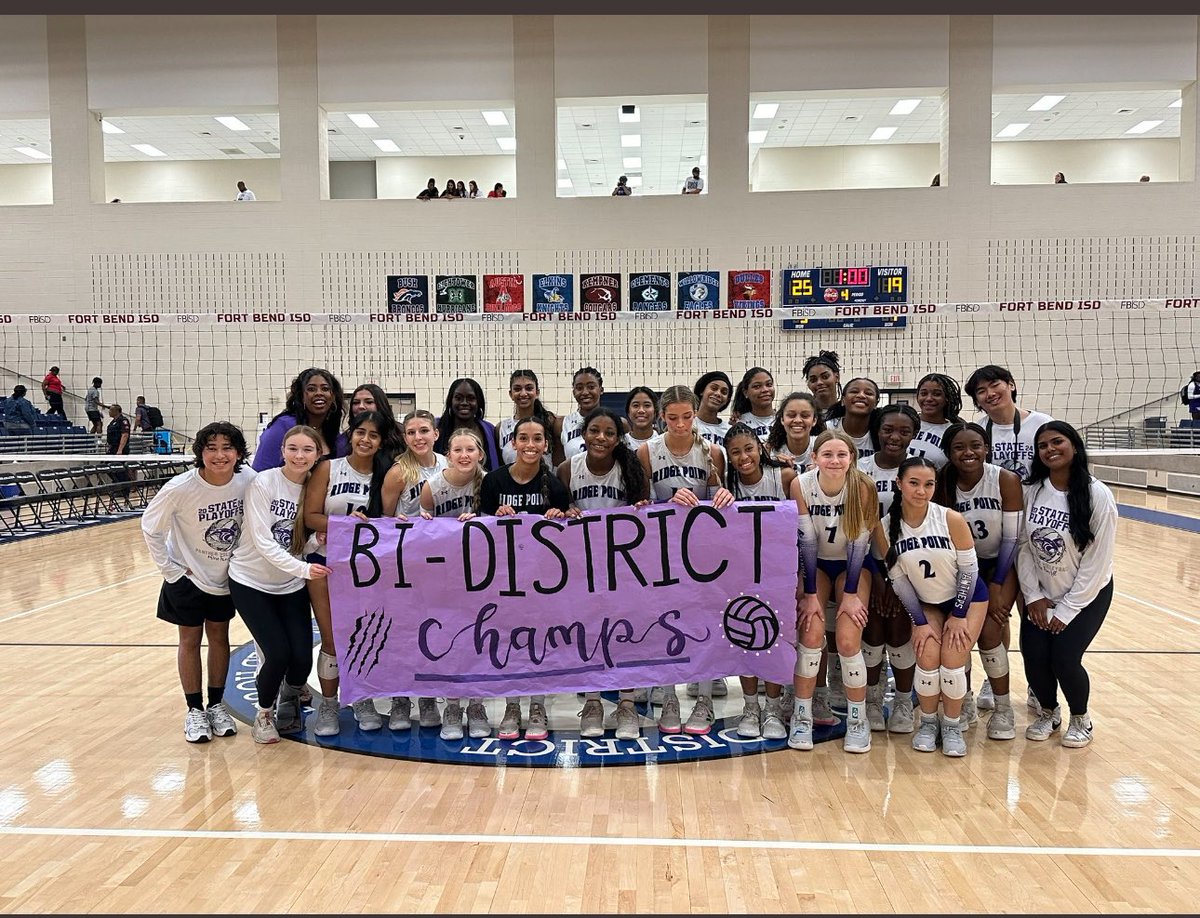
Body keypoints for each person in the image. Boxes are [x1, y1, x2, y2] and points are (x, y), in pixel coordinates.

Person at [141, 422, 256, 744]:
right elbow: (151, 528)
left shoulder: (249, 479)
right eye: (211, 448)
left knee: (220, 638)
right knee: (189, 640)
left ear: (238, 453)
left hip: (226, 577)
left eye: (227, 448)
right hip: (187, 577)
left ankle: (217, 705)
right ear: (200, 453)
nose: (220, 455)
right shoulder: (180, 488)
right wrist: (171, 572)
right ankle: (194, 710)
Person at [874, 457, 990, 757]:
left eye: (929, 484)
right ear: (899, 484)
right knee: (926, 657)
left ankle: (951, 725)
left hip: (967, 598)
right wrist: (920, 622)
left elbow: (969, 572)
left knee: (952, 661)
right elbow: (899, 581)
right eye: (913, 483)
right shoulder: (885, 528)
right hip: (927, 602)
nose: (921, 491)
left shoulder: (950, 519)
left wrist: (959, 615)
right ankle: (927, 723)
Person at [636, 385, 735, 735]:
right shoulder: (647, 451)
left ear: (695, 414)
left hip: (702, 553)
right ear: (662, 416)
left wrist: (724, 494)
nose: (680, 424)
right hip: (661, 553)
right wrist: (666, 503)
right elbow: (640, 508)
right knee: (665, 624)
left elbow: (721, 504)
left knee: (704, 623)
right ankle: (669, 697)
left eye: (687, 416)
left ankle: (704, 699)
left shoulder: (714, 452)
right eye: (672, 417)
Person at [229, 425, 332, 744]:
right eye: (293, 449)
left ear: (318, 454)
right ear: (282, 451)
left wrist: (317, 541)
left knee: (301, 658)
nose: (300, 456)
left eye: (307, 450)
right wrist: (303, 568)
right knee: (276, 653)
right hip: (251, 581)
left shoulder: (315, 490)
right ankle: (264, 715)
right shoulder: (264, 482)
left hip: (289, 584)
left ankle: (290, 696)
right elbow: (263, 540)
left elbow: (299, 541)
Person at [1017, 421, 1117, 748]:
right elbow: (1023, 547)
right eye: (1043, 445)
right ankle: (1048, 712)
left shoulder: (1096, 494)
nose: (1050, 449)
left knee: (1064, 657)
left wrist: (1068, 608)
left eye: (1057, 442)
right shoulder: (1033, 491)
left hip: (1088, 594)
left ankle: (1080, 718)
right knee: (1034, 655)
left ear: (1074, 445)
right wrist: (1033, 596)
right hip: (1042, 593)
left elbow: (1097, 561)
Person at [559, 407, 649, 739]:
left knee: (626, 633)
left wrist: (643, 510)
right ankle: (594, 701)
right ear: (583, 434)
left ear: (617, 439)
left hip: (625, 565)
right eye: (595, 431)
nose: (601, 437)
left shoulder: (631, 469)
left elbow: (647, 515)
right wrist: (564, 510)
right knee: (589, 632)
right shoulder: (568, 468)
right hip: (581, 566)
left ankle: (626, 704)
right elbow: (555, 512)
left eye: (609, 433)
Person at [479, 416, 571, 741]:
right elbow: (477, 529)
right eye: (524, 439)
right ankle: (512, 706)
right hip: (504, 580)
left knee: (539, 644)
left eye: (537, 439)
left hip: (543, 580)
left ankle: (537, 706)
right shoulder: (493, 481)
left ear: (546, 444)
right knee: (508, 641)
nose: (530, 445)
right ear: (513, 443)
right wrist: (493, 518)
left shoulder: (555, 484)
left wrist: (561, 517)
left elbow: (568, 533)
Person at [791, 430, 880, 753]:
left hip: (853, 566)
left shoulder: (863, 486)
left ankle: (858, 720)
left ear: (851, 458)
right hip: (815, 565)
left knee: (846, 640)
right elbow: (807, 542)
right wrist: (811, 593)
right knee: (812, 636)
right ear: (814, 458)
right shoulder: (801, 484)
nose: (835, 461)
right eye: (827, 454)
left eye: (842, 454)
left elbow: (859, 544)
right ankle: (802, 715)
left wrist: (852, 593)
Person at [936, 421, 1023, 740]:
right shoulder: (943, 482)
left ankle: (1003, 708)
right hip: (960, 568)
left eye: (975, 445)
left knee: (990, 632)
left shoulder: (1005, 479)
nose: (968, 452)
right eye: (959, 447)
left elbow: (1012, 540)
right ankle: (966, 701)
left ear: (987, 448)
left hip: (999, 564)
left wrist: (999, 584)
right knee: (959, 636)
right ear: (948, 453)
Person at [302, 411, 383, 737]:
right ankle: (330, 703)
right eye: (360, 432)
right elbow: (310, 516)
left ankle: (361, 697)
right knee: (333, 638)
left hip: (366, 568)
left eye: (373, 435)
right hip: (325, 561)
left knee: (363, 635)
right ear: (350, 435)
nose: (366, 439)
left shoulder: (386, 473)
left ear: (380, 441)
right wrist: (344, 525)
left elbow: (387, 520)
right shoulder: (328, 467)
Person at [723, 422, 796, 740]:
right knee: (744, 637)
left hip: (779, 571)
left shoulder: (784, 477)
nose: (743, 457)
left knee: (775, 639)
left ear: (761, 449)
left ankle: (773, 707)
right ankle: (750, 706)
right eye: (735, 452)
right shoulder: (725, 487)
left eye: (748, 449)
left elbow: (802, 525)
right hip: (742, 573)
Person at [420, 427, 492, 741]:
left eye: (470, 450)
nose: (464, 455)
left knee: (478, 639)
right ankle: (451, 705)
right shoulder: (432, 487)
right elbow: (417, 536)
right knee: (448, 638)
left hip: (482, 575)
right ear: (448, 455)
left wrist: (484, 520)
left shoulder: (490, 483)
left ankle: (476, 705)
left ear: (480, 454)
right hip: (443, 576)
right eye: (458, 450)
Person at [857, 404, 921, 734]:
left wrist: (899, 578)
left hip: (912, 567)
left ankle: (903, 702)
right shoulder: (861, 470)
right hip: (867, 564)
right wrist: (880, 577)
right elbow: (860, 528)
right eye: (888, 430)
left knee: (899, 631)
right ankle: (871, 699)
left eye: (904, 431)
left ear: (915, 434)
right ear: (877, 431)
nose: (894, 437)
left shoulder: (920, 471)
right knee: (872, 631)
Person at [964, 364, 1053, 481]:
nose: (990, 394)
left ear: (1011, 385)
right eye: (981, 391)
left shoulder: (1043, 423)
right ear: (977, 401)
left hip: (1038, 497)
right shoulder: (976, 431)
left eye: (995, 385)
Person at [251, 368, 345, 472]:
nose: (319, 393)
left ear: (333, 397)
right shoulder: (283, 426)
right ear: (301, 397)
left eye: (325, 389)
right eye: (311, 389)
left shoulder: (333, 433)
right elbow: (260, 471)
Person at [495, 369, 560, 468]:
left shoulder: (551, 421)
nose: (523, 393)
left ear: (537, 392)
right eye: (517, 389)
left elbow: (558, 462)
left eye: (529, 388)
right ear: (510, 394)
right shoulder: (501, 428)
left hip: (544, 481)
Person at [434, 378, 500, 471]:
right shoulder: (436, 428)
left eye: (471, 398)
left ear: (479, 402)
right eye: (458, 398)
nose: (464, 403)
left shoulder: (489, 430)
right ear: (450, 401)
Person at [555, 366, 614, 457]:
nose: (585, 392)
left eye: (591, 387)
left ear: (601, 390)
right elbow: (559, 464)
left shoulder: (617, 423)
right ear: (574, 392)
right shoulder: (561, 424)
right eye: (579, 388)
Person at [909, 373, 964, 469]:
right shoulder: (907, 423)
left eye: (937, 394)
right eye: (924, 393)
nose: (929, 398)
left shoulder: (954, 431)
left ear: (947, 398)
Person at [766, 391, 826, 471]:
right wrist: (775, 466)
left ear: (814, 420)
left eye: (805, 416)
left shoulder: (823, 446)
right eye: (791, 415)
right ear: (782, 419)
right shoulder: (771, 451)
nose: (797, 420)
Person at [825, 377, 880, 461]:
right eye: (854, 391)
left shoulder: (881, 433)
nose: (861, 395)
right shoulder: (827, 428)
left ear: (876, 403)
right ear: (843, 400)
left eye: (868, 393)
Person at [730, 367, 776, 439]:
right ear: (745, 392)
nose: (765, 390)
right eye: (757, 386)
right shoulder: (740, 422)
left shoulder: (784, 419)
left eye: (769, 384)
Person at [693, 371, 733, 446]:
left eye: (724, 392)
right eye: (714, 388)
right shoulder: (687, 424)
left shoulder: (729, 431)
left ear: (727, 400)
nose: (718, 394)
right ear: (702, 390)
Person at [803, 351, 842, 416]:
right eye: (813, 380)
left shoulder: (848, 412)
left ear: (837, 377)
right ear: (808, 384)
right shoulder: (805, 414)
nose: (819, 382)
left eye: (825, 377)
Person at [624, 386, 659, 452]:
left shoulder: (664, 442)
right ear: (628, 411)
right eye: (636, 405)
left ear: (655, 411)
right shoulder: (620, 444)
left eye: (647, 405)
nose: (641, 410)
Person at [106, 404, 132, 480]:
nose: (109, 412)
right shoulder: (113, 422)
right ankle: (117, 483)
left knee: (119, 469)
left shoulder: (123, 420)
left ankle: (124, 487)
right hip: (112, 448)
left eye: (111, 410)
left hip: (120, 449)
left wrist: (120, 449)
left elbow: (125, 435)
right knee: (106, 466)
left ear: (116, 411)